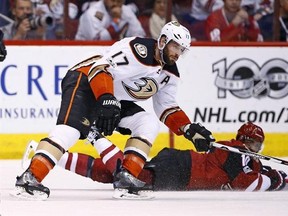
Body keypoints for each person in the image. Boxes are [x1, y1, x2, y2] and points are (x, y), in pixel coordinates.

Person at [14, 21, 215, 200]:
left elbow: (166, 107)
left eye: (182, 50)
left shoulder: (169, 74)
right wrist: (106, 99)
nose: (178, 54)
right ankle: (30, 178)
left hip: (112, 96)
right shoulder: (138, 49)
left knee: (147, 123)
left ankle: (126, 178)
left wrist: (187, 128)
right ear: (162, 41)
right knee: (70, 131)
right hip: (84, 80)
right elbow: (100, 68)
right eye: (175, 47)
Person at [27, 122, 287, 191]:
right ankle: (95, 136)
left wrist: (267, 172)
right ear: (243, 141)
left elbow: (248, 176)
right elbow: (248, 183)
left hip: (179, 165)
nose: (254, 148)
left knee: (112, 176)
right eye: (252, 143)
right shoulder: (237, 154)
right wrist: (278, 178)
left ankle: (51, 156)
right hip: (182, 170)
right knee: (128, 175)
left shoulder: (241, 157)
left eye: (257, 145)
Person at [75, 0, 146, 40]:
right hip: (86, 52)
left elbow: (140, 35)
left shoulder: (126, 11)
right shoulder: (92, 13)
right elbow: (98, 41)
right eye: (112, 0)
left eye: (119, 1)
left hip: (113, 53)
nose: (115, 4)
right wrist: (116, 21)